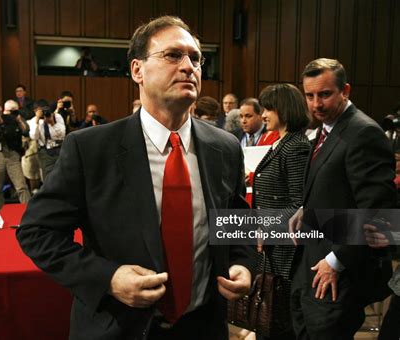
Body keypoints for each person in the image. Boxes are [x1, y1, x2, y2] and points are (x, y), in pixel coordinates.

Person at [17, 16, 256, 340]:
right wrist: (109, 278)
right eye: (173, 55)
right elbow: (36, 232)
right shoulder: (91, 148)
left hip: (202, 327)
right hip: (117, 328)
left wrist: (243, 264)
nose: (189, 66)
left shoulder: (224, 147)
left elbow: (236, 222)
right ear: (137, 70)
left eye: (196, 58)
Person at [289, 58, 396, 339]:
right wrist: (305, 208)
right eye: (309, 96)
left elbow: (379, 213)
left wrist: (336, 260)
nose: (316, 105)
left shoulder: (364, 133)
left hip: (338, 270)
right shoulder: (326, 130)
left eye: (324, 94)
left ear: (345, 90)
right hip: (310, 261)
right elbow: (336, 187)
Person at [251, 84, 311, 340]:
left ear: (284, 109)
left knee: (280, 321)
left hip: (286, 248)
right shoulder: (282, 142)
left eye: (268, 108)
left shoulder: (296, 146)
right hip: (275, 246)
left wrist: (267, 229)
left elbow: (300, 204)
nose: (263, 114)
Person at [0, 99, 31, 212]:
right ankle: (0, 215)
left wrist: (1, 122)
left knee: (21, 186)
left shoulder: (10, 119)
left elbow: (16, 134)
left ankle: (29, 213)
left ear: (0, 109)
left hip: (11, 154)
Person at [28, 99, 65, 180]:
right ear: (35, 111)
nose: (44, 113)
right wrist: (37, 121)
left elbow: (62, 134)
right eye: (41, 111)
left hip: (59, 149)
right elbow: (34, 137)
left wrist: (52, 123)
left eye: (45, 110)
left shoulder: (56, 116)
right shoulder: (34, 120)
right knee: (49, 178)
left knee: (63, 175)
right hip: (45, 152)